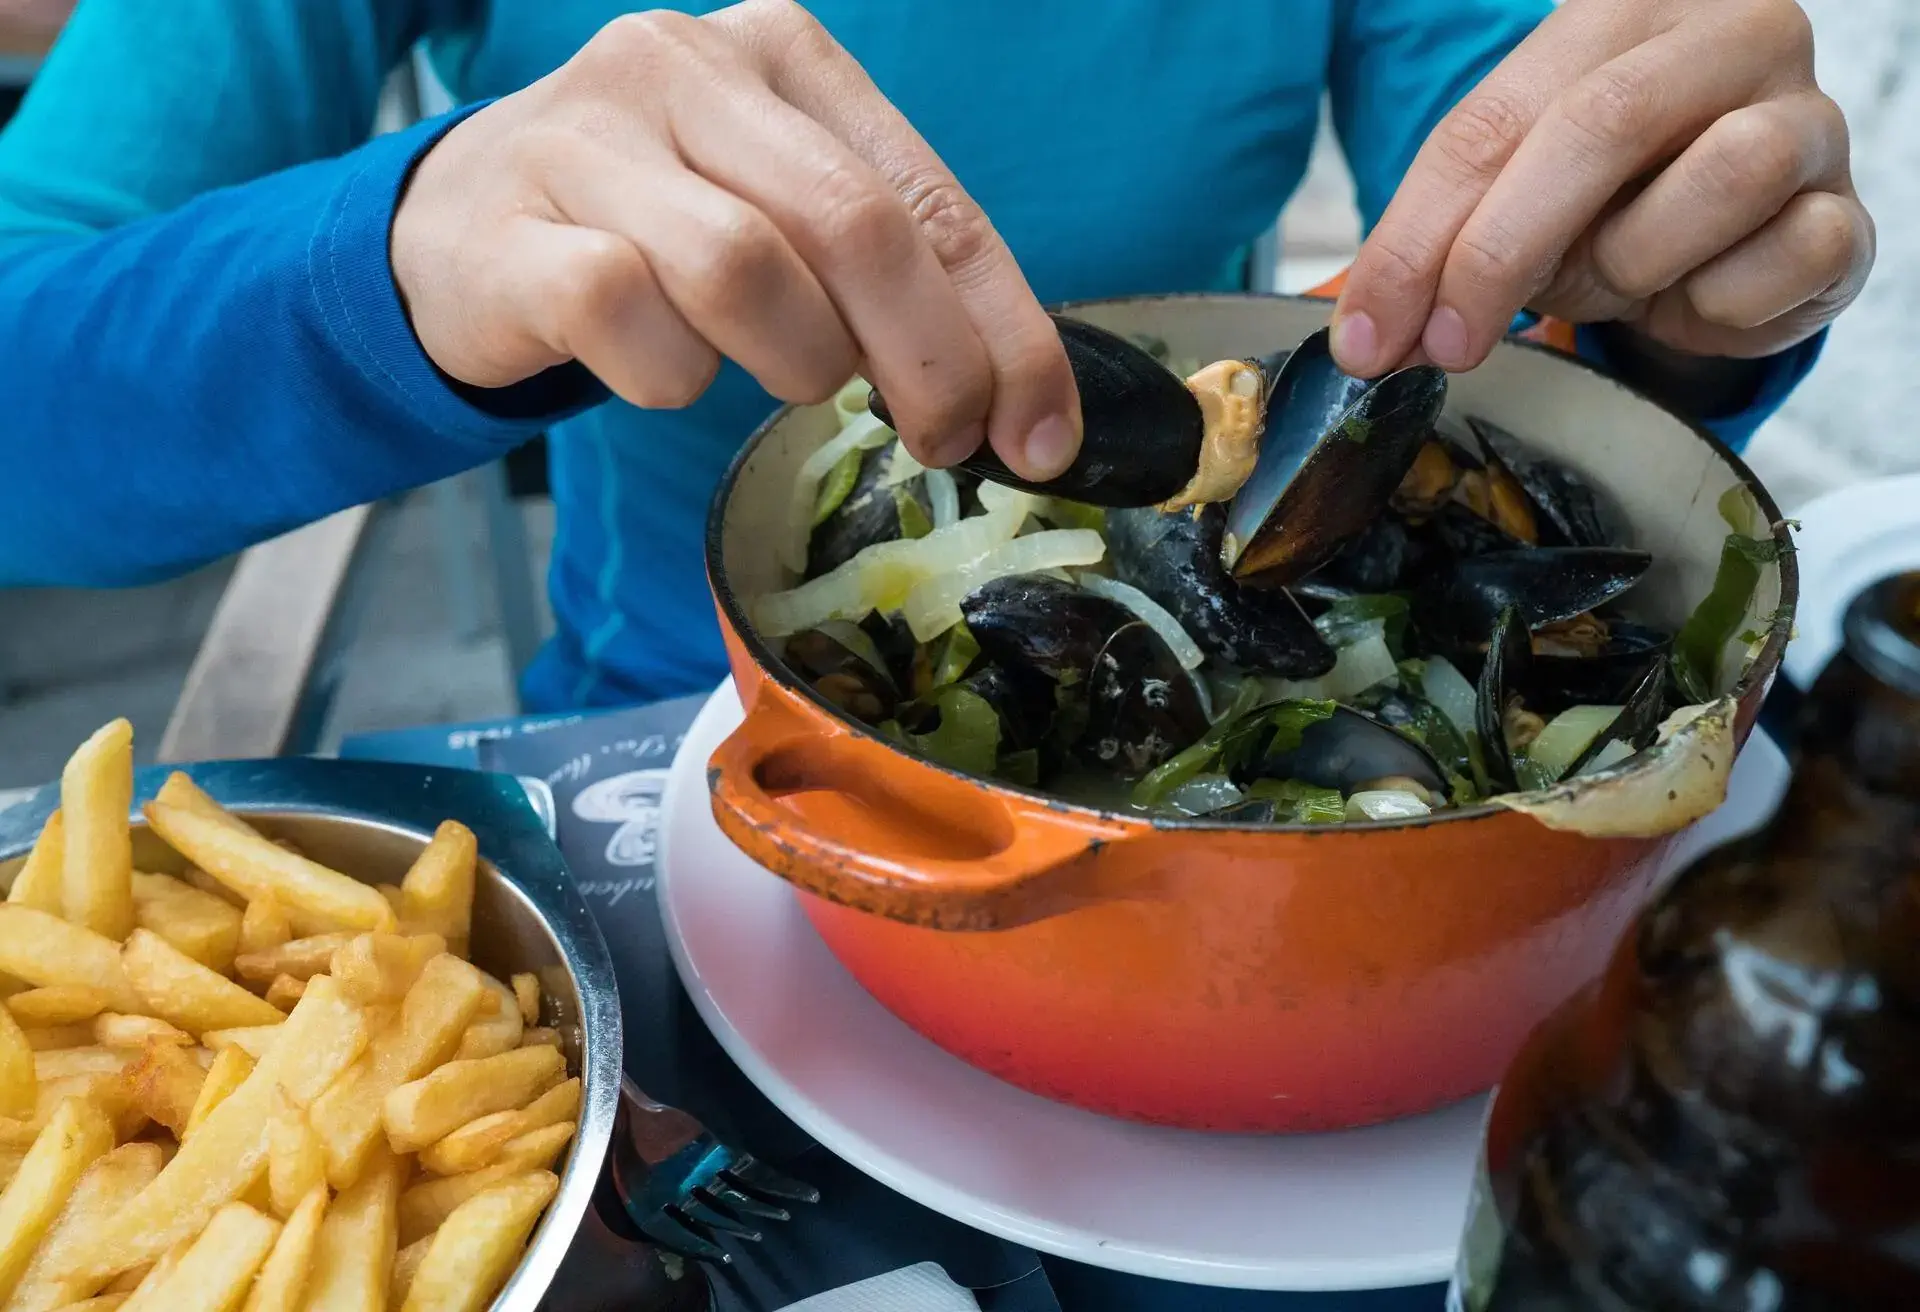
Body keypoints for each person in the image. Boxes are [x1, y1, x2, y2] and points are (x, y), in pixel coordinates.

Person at [0, 0, 1873, 712]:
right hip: (680, 753)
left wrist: (1675, 277)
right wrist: (398, 252)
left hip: (1255, 755)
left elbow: (1547, 316)